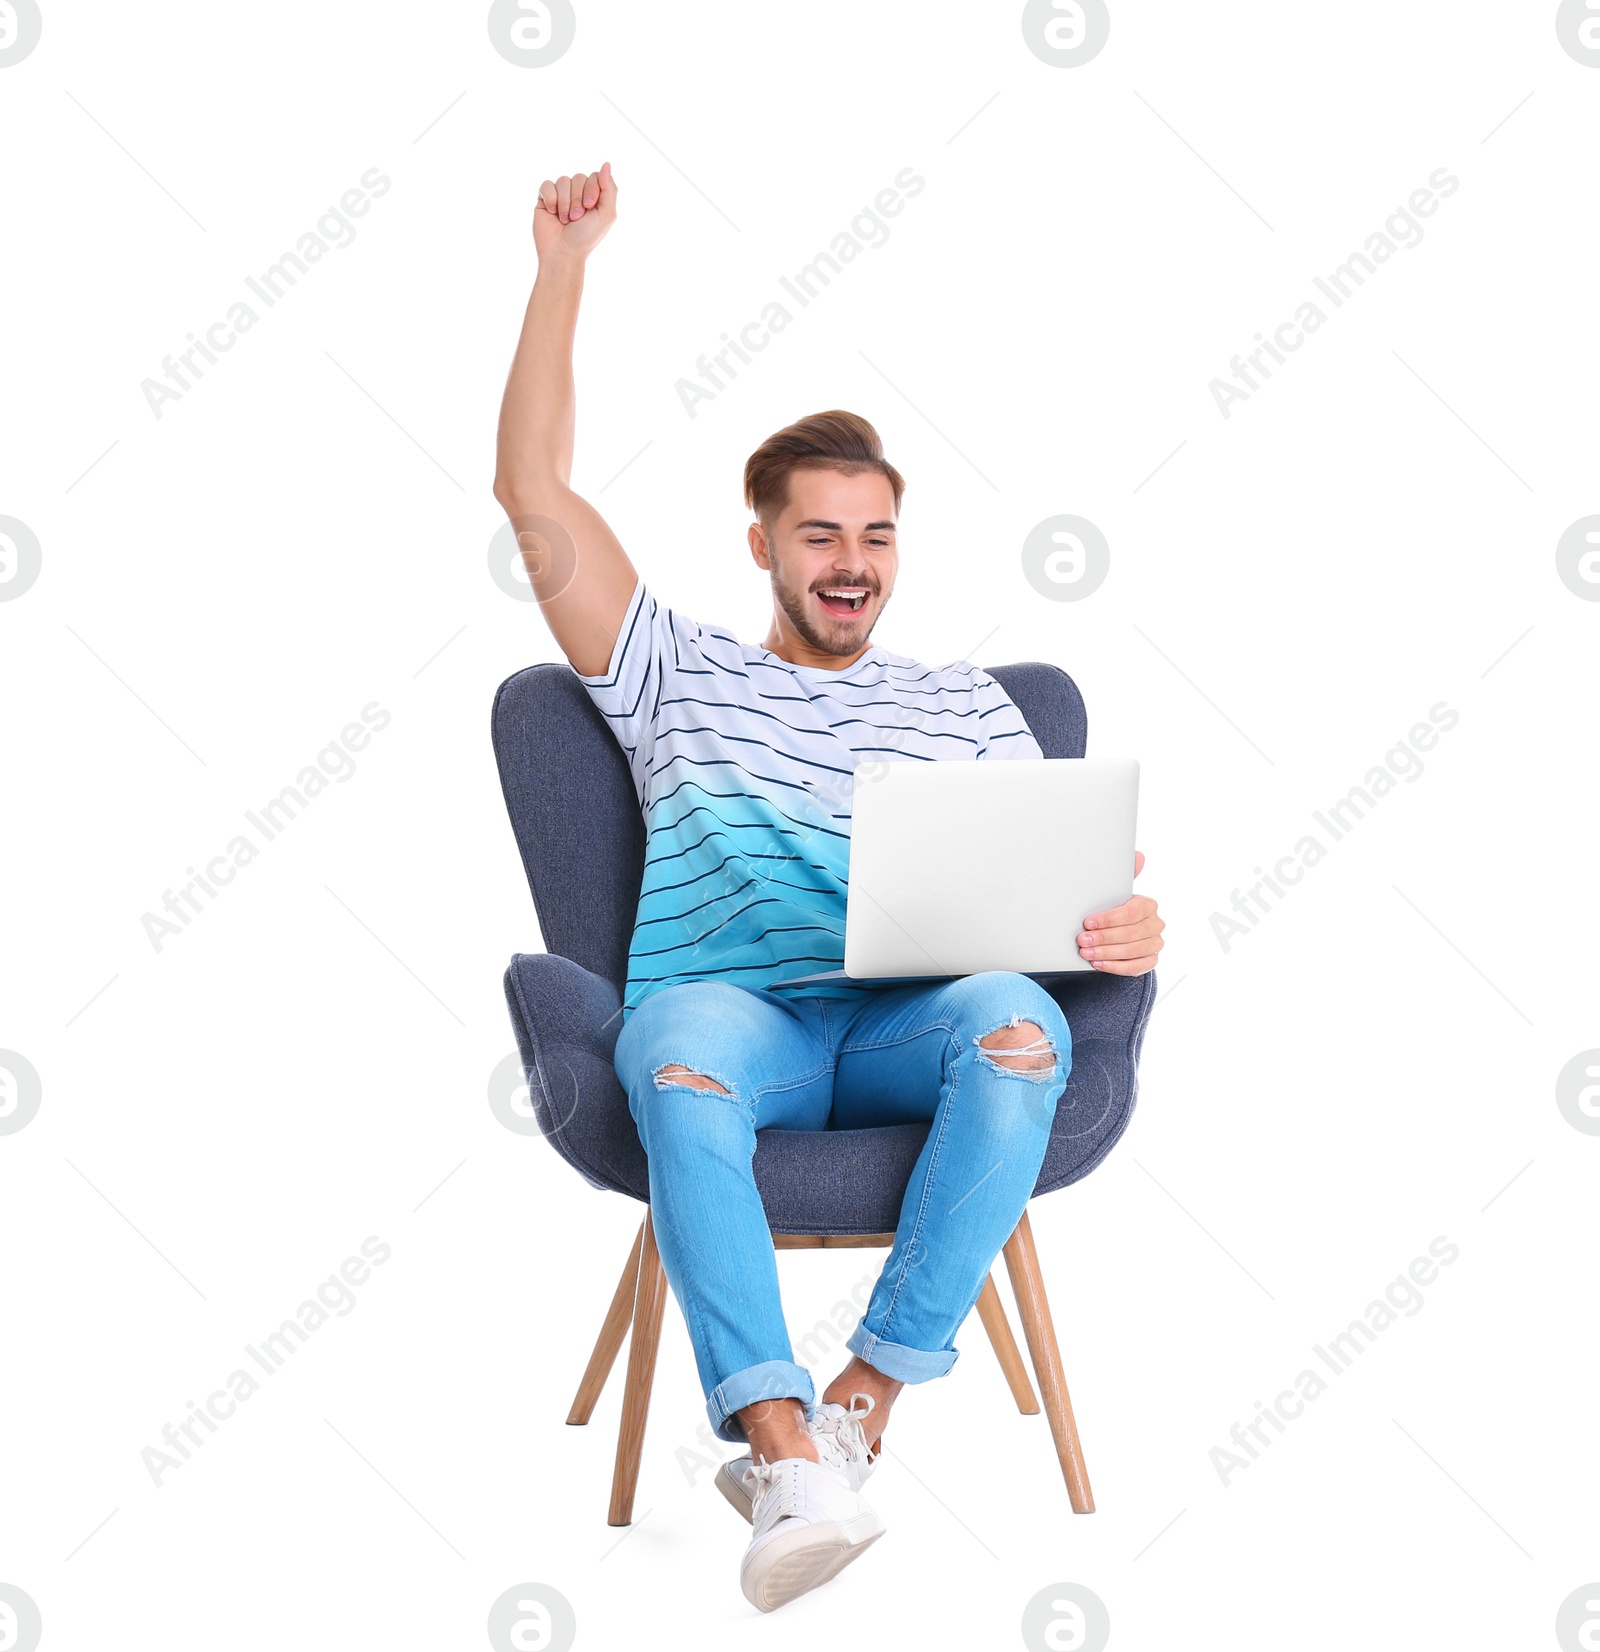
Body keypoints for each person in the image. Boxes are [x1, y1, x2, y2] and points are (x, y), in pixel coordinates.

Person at [493, 162, 1165, 1613]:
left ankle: (863, 1397)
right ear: (764, 546)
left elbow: (1059, 909)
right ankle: (783, 1446)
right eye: (820, 535)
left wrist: (1118, 930)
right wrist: (563, 273)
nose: (852, 565)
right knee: (670, 1051)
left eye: (875, 536)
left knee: (1020, 1023)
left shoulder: (973, 707)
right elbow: (531, 494)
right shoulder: (676, 670)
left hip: (908, 1027)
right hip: (742, 1025)